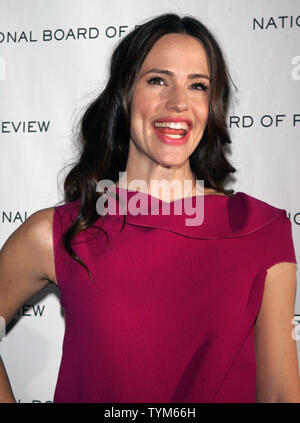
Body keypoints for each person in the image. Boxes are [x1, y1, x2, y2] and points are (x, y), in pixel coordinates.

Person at [0, 13, 299, 403]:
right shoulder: (57, 234)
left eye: (198, 86)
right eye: (158, 80)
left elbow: (279, 394)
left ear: (213, 105)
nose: (178, 103)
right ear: (124, 94)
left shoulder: (262, 230)